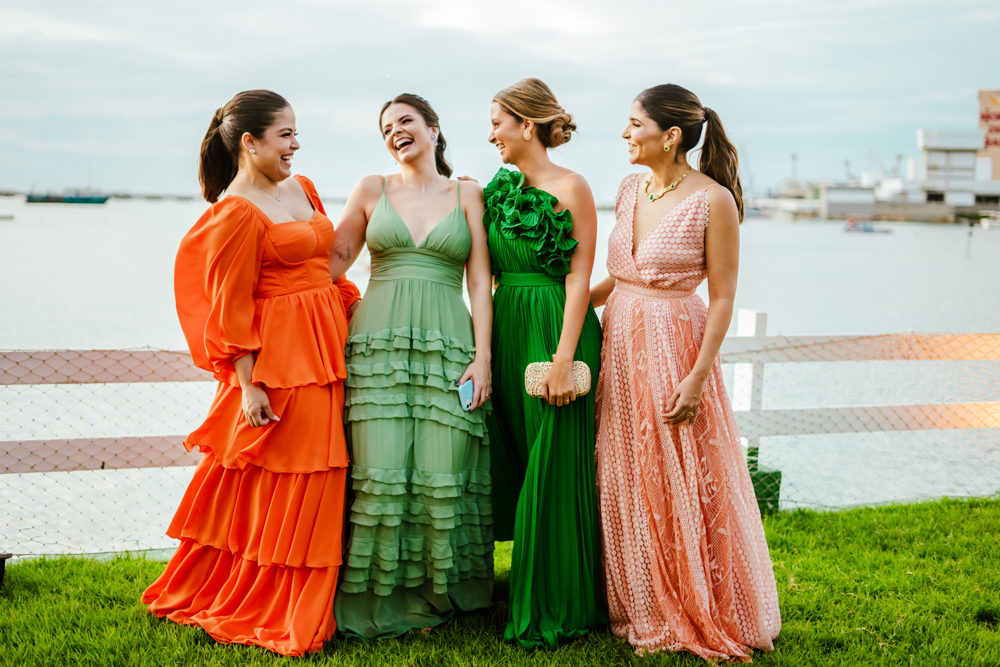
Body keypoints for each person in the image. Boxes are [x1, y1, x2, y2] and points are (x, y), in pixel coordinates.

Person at [142, 90, 361, 656]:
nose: (295, 144)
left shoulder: (301, 186)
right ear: (249, 141)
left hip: (325, 342)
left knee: (310, 469)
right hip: (281, 360)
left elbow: (325, 263)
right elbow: (229, 305)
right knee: (302, 471)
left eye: (296, 133)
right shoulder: (237, 211)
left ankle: (299, 587)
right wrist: (247, 384)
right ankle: (281, 598)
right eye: (285, 134)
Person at [590, 84, 781, 661]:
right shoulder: (628, 189)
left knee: (681, 472)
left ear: (669, 135)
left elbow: (722, 297)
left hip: (676, 344)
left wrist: (698, 376)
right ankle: (640, 599)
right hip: (621, 341)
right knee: (626, 468)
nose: (625, 134)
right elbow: (618, 278)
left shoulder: (713, 200)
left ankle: (697, 601)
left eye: (634, 124)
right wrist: (566, 311)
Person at [328, 94, 494, 638]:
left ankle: (435, 594)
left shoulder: (468, 192)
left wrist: (483, 356)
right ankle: (376, 600)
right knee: (379, 474)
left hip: (449, 341)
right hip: (377, 344)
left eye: (406, 121)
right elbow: (331, 261)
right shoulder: (371, 188)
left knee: (441, 472)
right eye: (386, 128)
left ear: (433, 129)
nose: (396, 132)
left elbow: (479, 283)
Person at [481, 78, 606, 649]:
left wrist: (562, 358)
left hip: (556, 329)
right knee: (514, 457)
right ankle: (514, 582)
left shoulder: (573, 187)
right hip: (506, 327)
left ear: (525, 126)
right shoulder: (495, 189)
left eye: (497, 123)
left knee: (554, 466)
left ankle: (555, 601)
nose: (491, 136)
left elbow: (580, 277)